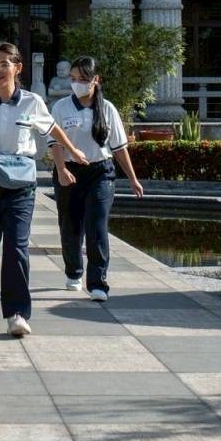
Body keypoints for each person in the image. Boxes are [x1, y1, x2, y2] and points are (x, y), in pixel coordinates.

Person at [0, 41, 86, 337]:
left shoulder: (32, 102)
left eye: (4, 65)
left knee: (16, 246)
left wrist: (71, 150)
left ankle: (18, 312)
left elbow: (52, 130)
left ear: (17, 68)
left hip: (21, 178)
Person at [52, 55, 144, 302]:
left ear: (95, 80)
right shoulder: (61, 108)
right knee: (70, 227)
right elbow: (56, 144)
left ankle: (98, 282)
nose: (77, 84)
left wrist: (133, 179)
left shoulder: (108, 109)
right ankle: (74, 272)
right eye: (73, 79)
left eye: (82, 79)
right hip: (70, 171)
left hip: (101, 172)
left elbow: (119, 148)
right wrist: (61, 170)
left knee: (97, 226)